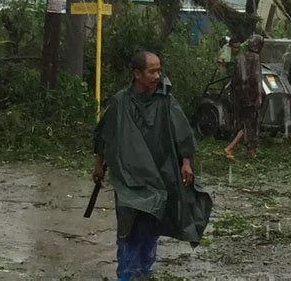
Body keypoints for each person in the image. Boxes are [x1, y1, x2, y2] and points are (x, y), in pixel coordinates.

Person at [93, 50, 212, 281]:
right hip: (128, 177)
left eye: (159, 70)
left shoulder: (165, 100)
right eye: (152, 71)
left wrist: (186, 162)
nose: (158, 75)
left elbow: (182, 133)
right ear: (137, 74)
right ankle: (127, 274)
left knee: (150, 223)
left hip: (159, 174)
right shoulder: (120, 102)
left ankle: (144, 271)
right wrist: (99, 165)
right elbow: (104, 136)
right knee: (128, 225)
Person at [224, 34, 264, 160]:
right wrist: (258, 95)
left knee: (243, 122)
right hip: (249, 94)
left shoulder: (241, 56)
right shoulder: (255, 57)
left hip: (239, 94)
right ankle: (231, 147)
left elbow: (237, 77)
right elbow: (256, 78)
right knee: (250, 123)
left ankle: (249, 151)